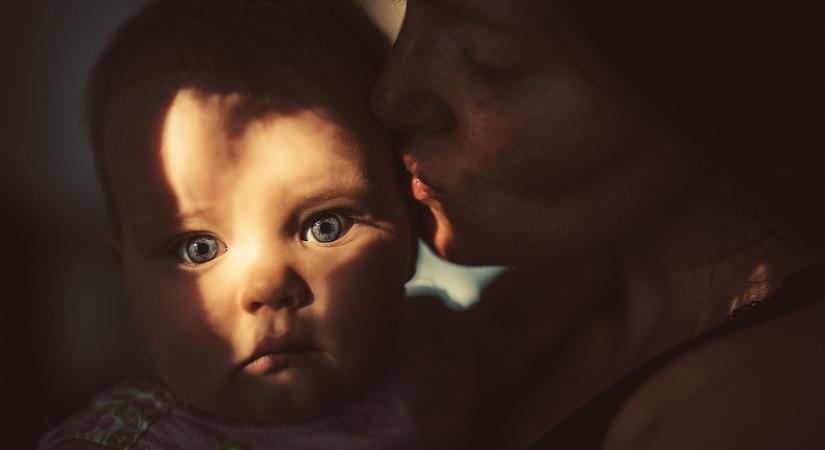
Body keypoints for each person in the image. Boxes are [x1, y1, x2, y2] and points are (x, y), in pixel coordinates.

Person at [37, 1, 585, 448]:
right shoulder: (133, 441)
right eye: (198, 248)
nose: (268, 287)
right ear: (126, 276)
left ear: (411, 226)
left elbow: (563, 295)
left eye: (325, 227)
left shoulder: (438, 354)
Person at [371, 0, 825, 448]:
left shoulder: (762, 407)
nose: (390, 97)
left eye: (487, 58)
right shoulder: (527, 315)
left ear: (719, 70)